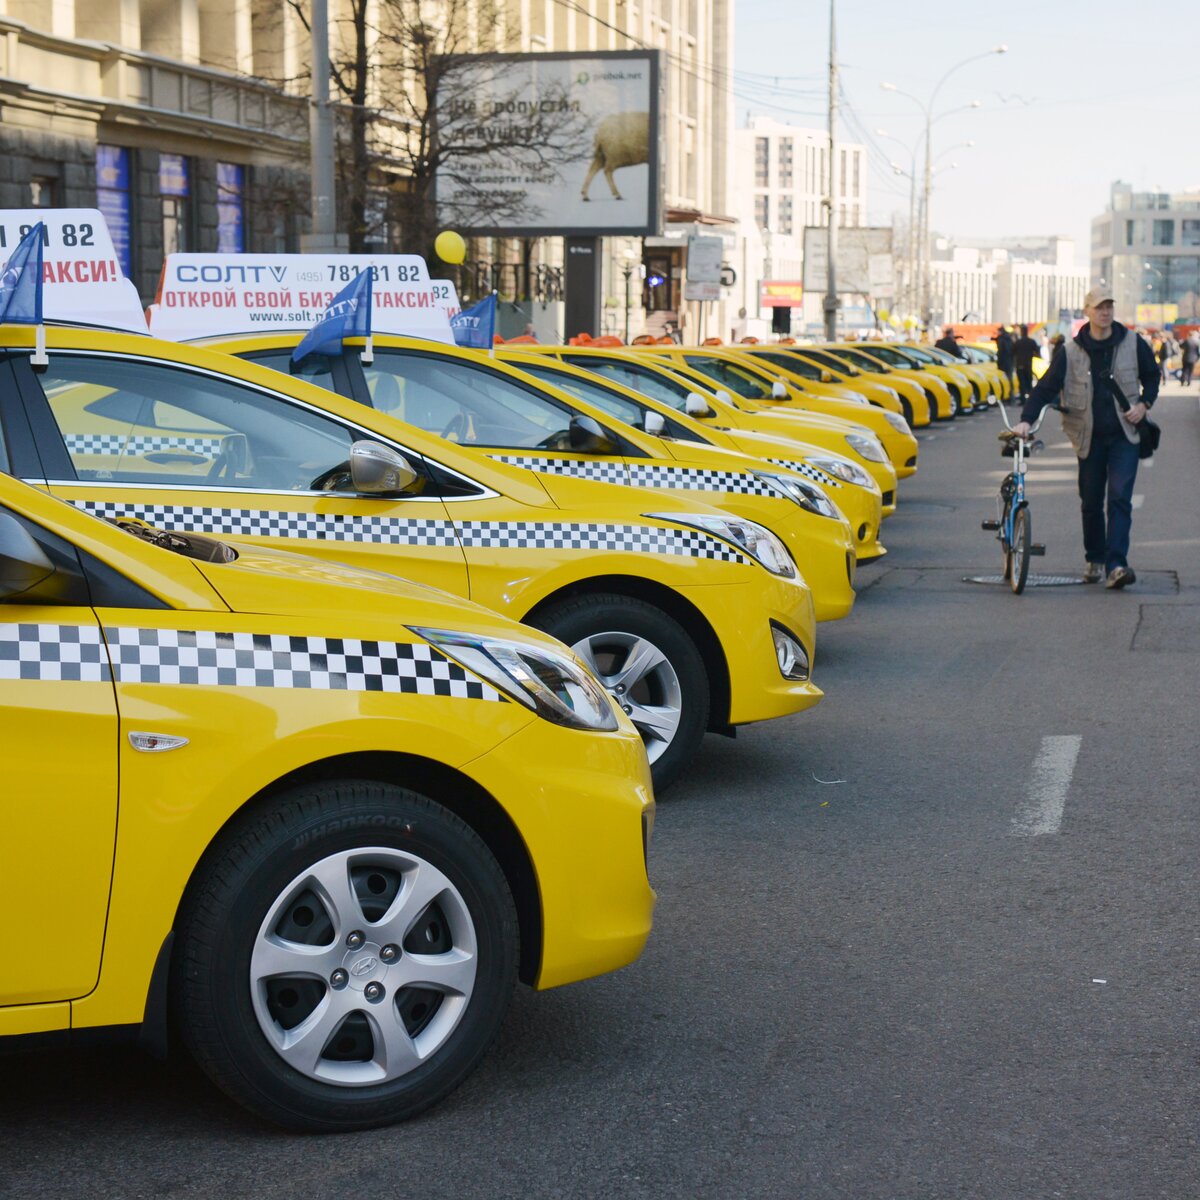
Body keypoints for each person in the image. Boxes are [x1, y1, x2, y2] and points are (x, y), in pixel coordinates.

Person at [1013, 285, 1159, 589]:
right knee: (1091, 501)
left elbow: (1152, 377)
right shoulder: (1071, 351)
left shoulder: (1133, 342)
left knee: (1119, 498)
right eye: (1099, 307)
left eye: (1109, 306)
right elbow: (1045, 388)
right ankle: (1095, 557)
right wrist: (1026, 421)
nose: (1105, 312)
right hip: (1087, 437)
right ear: (1087, 312)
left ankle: (1117, 564)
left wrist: (1143, 405)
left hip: (1124, 436)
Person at [1011, 323, 1041, 402]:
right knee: (1029, 382)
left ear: (1021, 332)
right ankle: (1030, 400)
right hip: (1028, 365)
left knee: (1022, 383)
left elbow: (1012, 352)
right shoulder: (1031, 341)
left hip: (1020, 365)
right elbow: (1037, 352)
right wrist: (1031, 355)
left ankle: (1023, 399)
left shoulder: (1018, 342)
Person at [995, 325, 1015, 399]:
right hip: (1009, 363)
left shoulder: (1001, 340)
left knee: (1002, 381)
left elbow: (1001, 352)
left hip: (1003, 363)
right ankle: (1011, 397)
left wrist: (999, 363)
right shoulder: (1009, 339)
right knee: (1010, 380)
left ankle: (1003, 396)